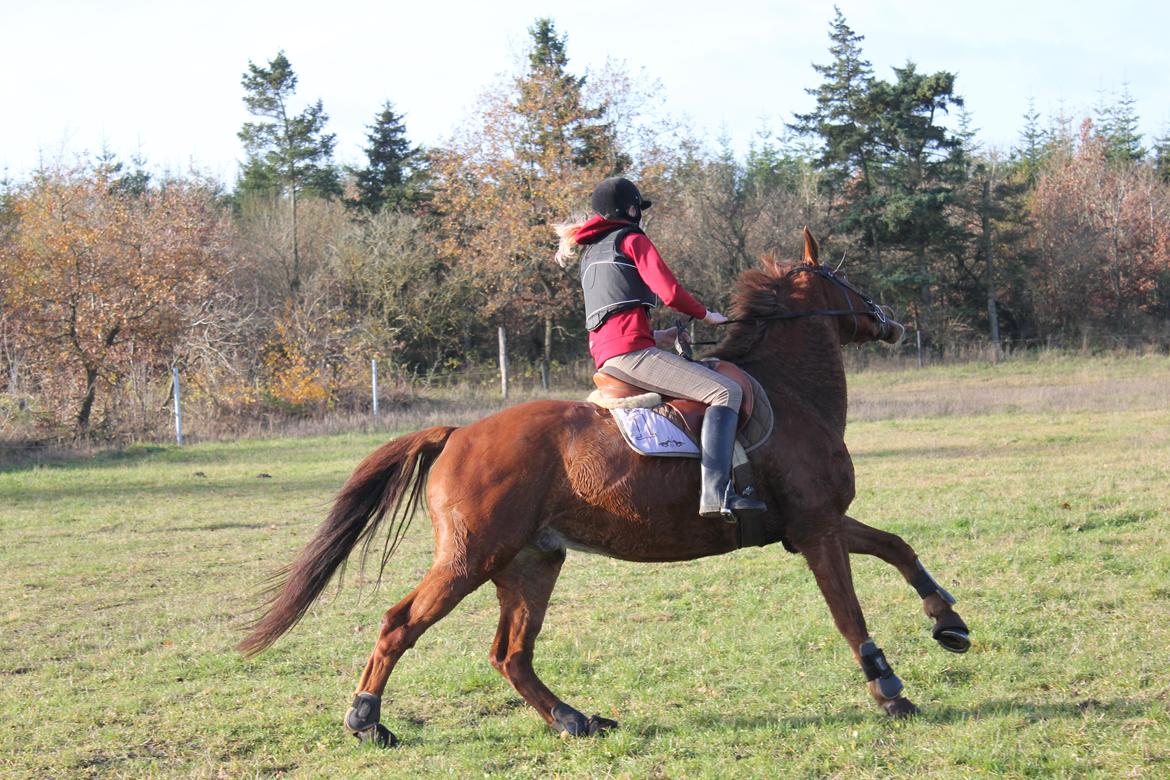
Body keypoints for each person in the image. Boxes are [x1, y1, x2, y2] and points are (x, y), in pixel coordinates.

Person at [555, 176, 766, 520]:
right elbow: (669, 292)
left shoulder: (591, 252)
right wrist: (706, 314)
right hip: (633, 356)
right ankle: (716, 492)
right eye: (638, 208)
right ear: (631, 209)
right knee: (726, 391)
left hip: (611, 356)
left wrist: (659, 336)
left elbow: (614, 315)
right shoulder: (632, 239)